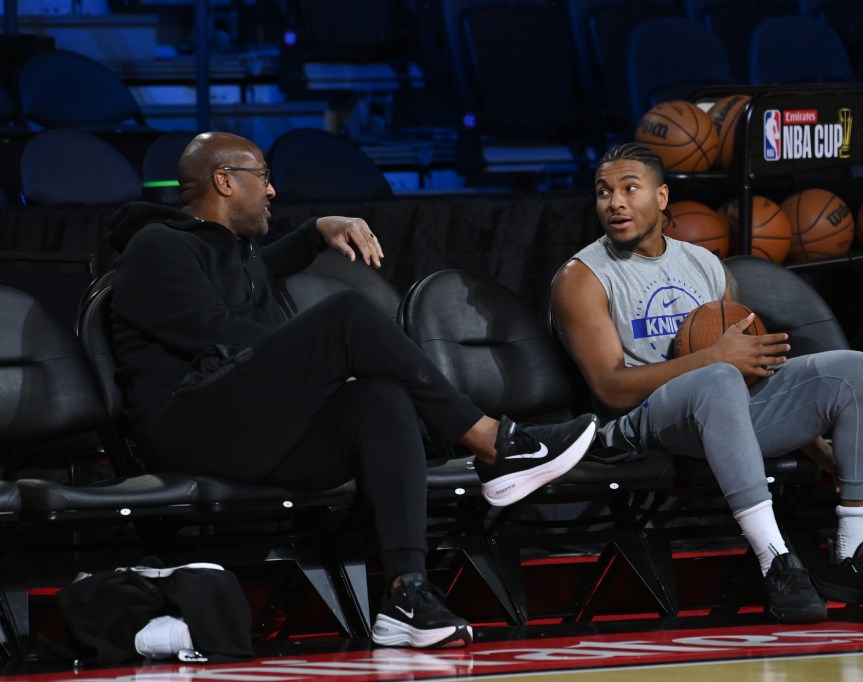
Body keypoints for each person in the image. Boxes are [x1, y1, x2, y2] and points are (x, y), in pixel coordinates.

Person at [107, 131, 598, 649]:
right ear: (224, 182)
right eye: (264, 177)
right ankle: (493, 442)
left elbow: (257, 270)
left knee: (378, 398)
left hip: (248, 429)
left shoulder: (234, 253)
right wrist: (318, 360)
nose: (273, 192)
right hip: (188, 423)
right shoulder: (156, 246)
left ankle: (407, 594)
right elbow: (219, 333)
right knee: (346, 317)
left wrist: (320, 229)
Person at [549, 142, 863, 623]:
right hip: (639, 426)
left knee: (856, 370)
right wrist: (712, 359)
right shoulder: (582, 277)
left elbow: (748, 370)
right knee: (717, 378)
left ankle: (853, 556)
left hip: (722, 409)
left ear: (662, 197)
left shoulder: (705, 265)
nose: (615, 202)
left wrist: (817, 448)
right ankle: (777, 562)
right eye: (603, 192)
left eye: (630, 188)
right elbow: (609, 388)